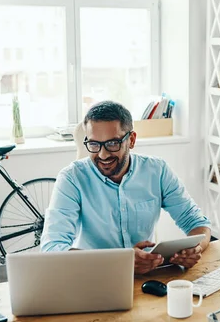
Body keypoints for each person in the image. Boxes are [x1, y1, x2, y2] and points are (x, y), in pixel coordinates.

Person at [40, 101, 211, 274]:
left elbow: (197, 223)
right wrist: (122, 261)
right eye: (94, 144)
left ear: (131, 140)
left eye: (112, 144)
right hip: (94, 275)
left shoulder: (157, 171)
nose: (103, 154)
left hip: (146, 276)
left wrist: (195, 249)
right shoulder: (72, 178)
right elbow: (52, 247)